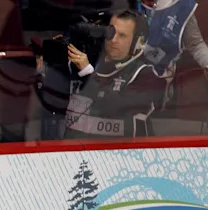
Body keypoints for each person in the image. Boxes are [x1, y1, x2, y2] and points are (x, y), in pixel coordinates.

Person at [63, 9, 162, 140]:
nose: (113, 40)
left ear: (138, 42)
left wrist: (88, 74)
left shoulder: (144, 74)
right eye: (111, 32)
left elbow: (115, 107)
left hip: (121, 155)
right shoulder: (83, 63)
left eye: (122, 35)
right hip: (75, 154)